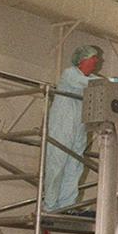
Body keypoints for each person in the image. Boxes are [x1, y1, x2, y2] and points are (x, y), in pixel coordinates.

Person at [42, 46, 103, 213]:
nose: (96, 61)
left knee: (74, 167)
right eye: (93, 58)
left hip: (79, 128)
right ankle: (50, 205)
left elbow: (99, 86)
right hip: (62, 126)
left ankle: (67, 205)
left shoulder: (93, 79)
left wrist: (115, 84)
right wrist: (111, 83)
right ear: (83, 60)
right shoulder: (70, 74)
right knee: (57, 165)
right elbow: (89, 84)